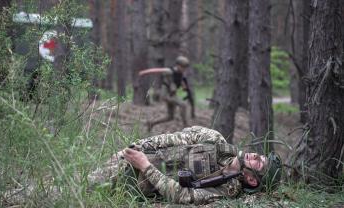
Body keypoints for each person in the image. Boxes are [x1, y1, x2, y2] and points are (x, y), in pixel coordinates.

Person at [88, 126, 282, 205]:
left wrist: (144, 165)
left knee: (80, 191)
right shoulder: (215, 140)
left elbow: (181, 195)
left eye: (259, 162)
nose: (255, 155)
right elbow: (174, 138)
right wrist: (140, 146)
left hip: (132, 184)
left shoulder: (224, 189)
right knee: (82, 182)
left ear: (251, 179)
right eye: (259, 155)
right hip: (132, 157)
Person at [139, 56, 194, 131]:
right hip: (166, 95)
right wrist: (143, 72)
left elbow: (179, 82)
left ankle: (151, 123)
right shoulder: (169, 71)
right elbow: (156, 70)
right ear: (178, 65)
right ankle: (186, 127)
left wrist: (183, 86)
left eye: (185, 67)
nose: (184, 69)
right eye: (183, 67)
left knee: (170, 117)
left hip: (172, 95)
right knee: (183, 104)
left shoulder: (180, 74)